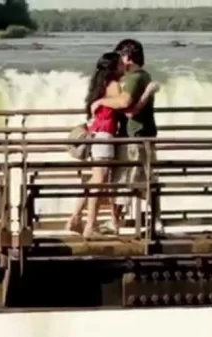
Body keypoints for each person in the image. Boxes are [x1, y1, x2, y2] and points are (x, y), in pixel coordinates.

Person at [66, 52, 159, 238]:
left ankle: (75, 219)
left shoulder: (98, 84)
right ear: (114, 68)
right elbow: (128, 108)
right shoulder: (113, 85)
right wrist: (148, 92)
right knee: (98, 183)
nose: (123, 67)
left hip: (95, 135)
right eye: (119, 65)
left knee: (95, 181)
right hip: (105, 137)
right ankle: (90, 226)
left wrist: (101, 101)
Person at [91, 38, 164, 236]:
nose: (118, 61)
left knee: (124, 180)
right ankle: (155, 222)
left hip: (133, 136)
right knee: (146, 179)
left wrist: (101, 102)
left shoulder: (133, 78)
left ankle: (116, 223)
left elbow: (124, 102)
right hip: (143, 134)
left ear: (128, 57)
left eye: (120, 56)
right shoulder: (142, 76)